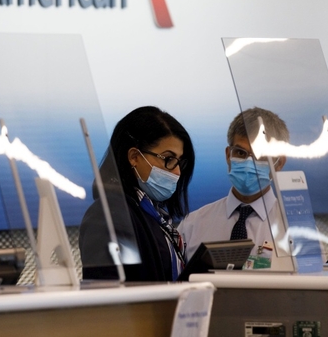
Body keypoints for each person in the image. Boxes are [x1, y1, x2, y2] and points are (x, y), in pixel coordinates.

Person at [79, 106, 195, 282]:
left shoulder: (153, 215)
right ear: (134, 156)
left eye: (179, 161)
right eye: (168, 159)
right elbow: (108, 292)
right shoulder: (109, 215)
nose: (177, 172)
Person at [178, 107, 289, 270]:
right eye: (240, 153)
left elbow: (315, 286)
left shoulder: (295, 229)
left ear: (279, 163)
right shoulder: (192, 226)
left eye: (261, 156)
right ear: (228, 155)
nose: (249, 163)